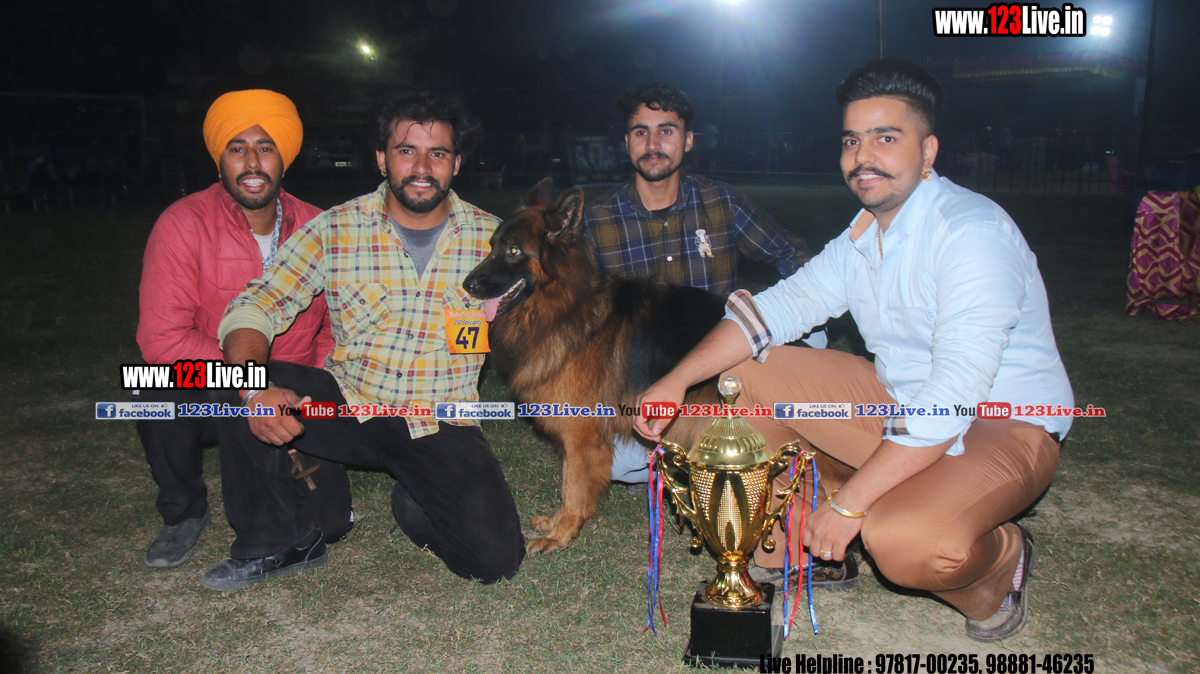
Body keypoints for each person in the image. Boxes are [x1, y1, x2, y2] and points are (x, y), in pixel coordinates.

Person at [634, 60, 1071, 641]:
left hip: (1003, 422)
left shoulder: (971, 233)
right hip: (900, 403)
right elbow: (773, 311)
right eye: (851, 141)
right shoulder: (865, 233)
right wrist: (677, 380)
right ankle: (805, 549)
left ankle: (1001, 560)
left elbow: (954, 392)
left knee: (901, 541)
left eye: (886, 138)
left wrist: (852, 505)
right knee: (742, 373)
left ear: (928, 151)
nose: (863, 156)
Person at [205, 90, 525, 591]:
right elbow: (258, 303)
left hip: (438, 418)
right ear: (381, 159)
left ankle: (415, 501)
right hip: (347, 404)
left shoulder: (495, 241)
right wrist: (252, 389)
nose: (422, 168)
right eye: (406, 151)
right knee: (232, 377)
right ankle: (274, 541)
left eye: (438, 153)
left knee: (494, 562)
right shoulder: (335, 228)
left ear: (457, 163)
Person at [133, 89, 351, 569]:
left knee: (331, 524)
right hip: (212, 381)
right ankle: (183, 511)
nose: (252, 162)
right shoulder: (182, 224)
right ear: (220, 161)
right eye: (237, 148)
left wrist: (307, 389)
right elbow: (162, 339)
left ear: (284, 159)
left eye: (265, 147)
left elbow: (336, 329)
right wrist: (252, 383)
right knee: (150, 385)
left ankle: (283, 454)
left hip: (293, 385)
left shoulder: (320, 227)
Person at [583, 82, 822, 485]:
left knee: (815, 334)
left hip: (722, 364)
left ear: (688, 140)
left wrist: (819, 294)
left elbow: (789, 253)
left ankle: (722, 438)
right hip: (647, 378)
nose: (653, 144)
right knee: (618, 465)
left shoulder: (720, 200)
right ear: (626, 143)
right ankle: (681, 454)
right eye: (641, 132)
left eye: (666, 131)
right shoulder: (596, 220)